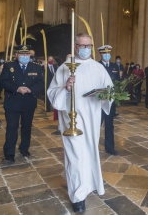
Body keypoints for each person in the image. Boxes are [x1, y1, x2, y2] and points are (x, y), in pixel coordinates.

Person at [47, 33, 113, 213]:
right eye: (83, 46)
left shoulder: (98, 68)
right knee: (75, 155)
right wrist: (66, 88)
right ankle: (77, 196)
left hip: (92, 118)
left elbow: (109, 89)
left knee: (90, 151)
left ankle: (89, 184)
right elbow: (52, 94)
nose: (86, 49)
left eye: (89, 46)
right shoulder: (65, 68)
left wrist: (107, 94)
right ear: (75, 47)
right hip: (72, 119)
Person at [1, 45, 44, 164]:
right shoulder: (8, 66)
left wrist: (31, 90)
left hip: (29, 102)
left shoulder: (36, 67)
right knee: (12, 128)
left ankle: (24, 148)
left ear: (30, 55)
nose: (24, 56)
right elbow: (3, 82)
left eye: (27, 54)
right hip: (12, 102)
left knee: (26, 127)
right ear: (16, 55)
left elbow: (41, 83)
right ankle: (9, 154)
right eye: (21, 54)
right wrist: (17, 88)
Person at [98, 45, 120, 155]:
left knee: (109, 124)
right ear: (100, 54)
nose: (107, 55)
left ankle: (110, 148)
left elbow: (118, 82)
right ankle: (93, 147)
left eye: (108, 53)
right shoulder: (97, 66)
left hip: (110, 101)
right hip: (99, 101)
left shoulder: (114, 66)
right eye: (104, 53)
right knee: (97, 124)